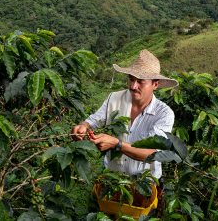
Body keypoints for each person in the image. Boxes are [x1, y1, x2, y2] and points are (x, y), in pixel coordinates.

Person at [71, 49, 178, 179]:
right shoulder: (114, 98)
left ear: (155, 84)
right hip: (112, 178)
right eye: (131, 79)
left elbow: (153, 154)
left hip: (145, 181)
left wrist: (117, 144)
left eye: (140, 81)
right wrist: (83, 126)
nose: (133, 86)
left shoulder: (164, 114)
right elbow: (94, 120)